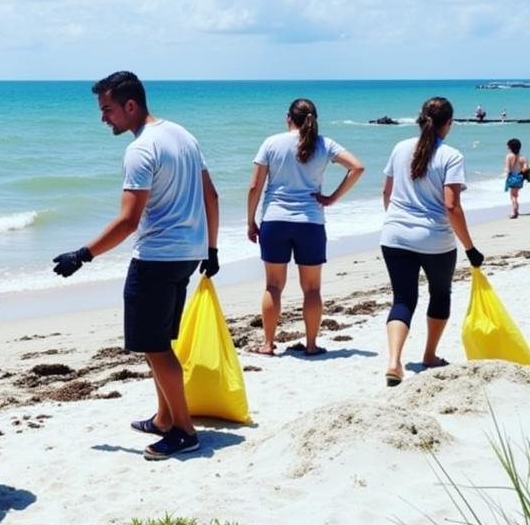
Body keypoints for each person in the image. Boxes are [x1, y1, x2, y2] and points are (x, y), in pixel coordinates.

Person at [52, 71, 219, 460]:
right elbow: (210, 194)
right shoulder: (183, 135)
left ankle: (184, 430)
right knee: (156, 344)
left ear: (131, 106)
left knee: (157, 348)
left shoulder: (141, 150)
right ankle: (164, 418)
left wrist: (83, 255)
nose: (103, 118)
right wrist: (210, 249)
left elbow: (128, 220)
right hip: (187, 255)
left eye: (108, 109)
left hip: (157, 259)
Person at [246, 99, 365, 356]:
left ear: (289, 117)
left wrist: (250, 221)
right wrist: (332, 198)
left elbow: (255, 187)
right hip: (310, 222)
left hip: (275, 221)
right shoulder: (324, 144)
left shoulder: (272, 143)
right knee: (312, 289)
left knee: (273, 286)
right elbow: (357, 167)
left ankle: (268, 344)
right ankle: (311, 345)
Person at [380, 97, 483, 387]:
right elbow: (451, 207)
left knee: (402, 299)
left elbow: (387, 193)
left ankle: (394, 362)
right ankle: (429, 355)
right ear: (448, 123)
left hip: (395, 235)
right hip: (435, 239)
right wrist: (470, 248)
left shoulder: (400, 148)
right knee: (440, 294)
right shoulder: (451, 156)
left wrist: (399, 222)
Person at [504, 138, 528, 218]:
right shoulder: (523, 157)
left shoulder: (509, 156)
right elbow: (526, 168)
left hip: (512, 178)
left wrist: (507, 177)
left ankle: (515, 211)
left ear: (510, 147)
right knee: (516, 194)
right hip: (520, 178)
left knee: (512, 196)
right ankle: (516, 210)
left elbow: (507, 168)